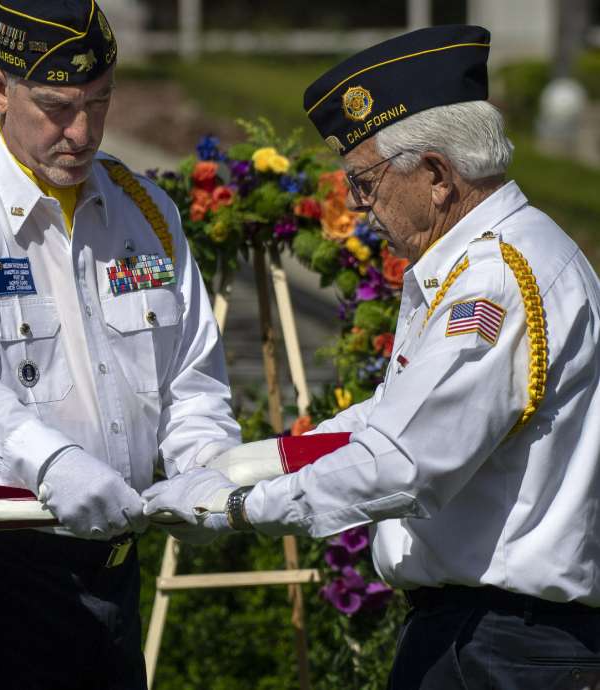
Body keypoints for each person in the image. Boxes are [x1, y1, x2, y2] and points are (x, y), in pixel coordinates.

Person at [142, 25, 600, 689]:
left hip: (506, 646)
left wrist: (240, 508)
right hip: (483, 637)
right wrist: (263, 461)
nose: (358, 206)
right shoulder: (480, 259)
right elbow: (394, 417)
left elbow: (406, 463)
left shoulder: (495, 280)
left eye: (365, 181)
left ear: (436, 175)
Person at [0, 1, 240, 687]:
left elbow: (191, 376)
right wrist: (51, 462)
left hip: (112, 571)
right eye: (56, 107)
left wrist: (203, 464)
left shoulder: (145, 211)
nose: (81, 132)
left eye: (98, 104)